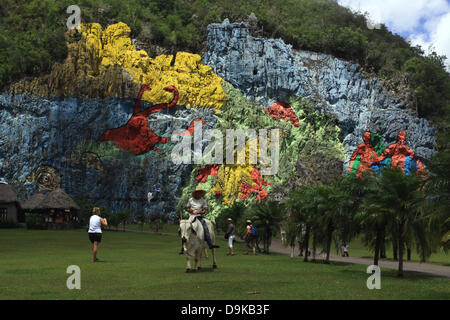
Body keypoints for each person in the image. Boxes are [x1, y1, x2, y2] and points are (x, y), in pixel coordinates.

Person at [185, 187, 219, 251]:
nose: (199, 194)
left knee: (205, 227)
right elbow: (188, 208)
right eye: (198, 193)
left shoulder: (203, 201)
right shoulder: (191, 200)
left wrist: (199, 212)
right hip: (191, 216)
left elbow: (204, 211)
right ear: (195, 193)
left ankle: (210, 243)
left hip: (199, 217)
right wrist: (191, 210)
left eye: (200, 193)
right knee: (184, 227)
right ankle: (184, 243)